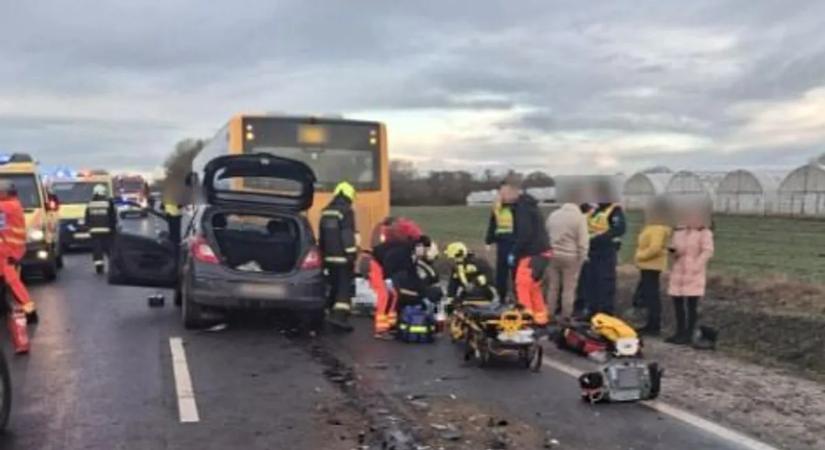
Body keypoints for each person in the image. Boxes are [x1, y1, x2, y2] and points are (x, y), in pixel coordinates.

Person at [501, 179, 552, 326]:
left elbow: (524, 234)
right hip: (543, 253)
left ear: (513, 191)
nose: (502, 196)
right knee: (534, 288)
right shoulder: (531, 206)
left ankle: (525, 320)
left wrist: (514, 252)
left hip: (531, 254)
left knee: (522, 285)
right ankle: (541, 319)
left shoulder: (522, 209)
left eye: (504, 192)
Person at [666, 207, 714, 345]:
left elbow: (707, 251)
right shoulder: (679, 232)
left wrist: (696, 266)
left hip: (693, 273)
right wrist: (674, 250)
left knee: (691, 306)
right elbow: (678, 250)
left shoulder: (705, 233)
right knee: (678, 304)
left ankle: (689, 333)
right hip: (679, 272)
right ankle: (679, 331)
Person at [0, 180, 37, 350]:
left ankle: (29, 313)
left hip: (6, 254)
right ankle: (28, 311)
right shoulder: (13, 205)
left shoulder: (6, 207)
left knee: (12, 284)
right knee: (13, 284)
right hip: (12, 252)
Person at [319, 182, 358, 331]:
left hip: (328, 257)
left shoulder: (326, 211)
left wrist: (321, 253)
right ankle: (339, 318)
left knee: (333, 285)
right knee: (343, 288)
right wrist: (351, 253)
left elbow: (322, 235)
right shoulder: (347, 211)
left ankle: (327, 313)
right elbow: (347, 234)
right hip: (343, 258)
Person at [581, 196, 626, 317]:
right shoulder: (594, 211)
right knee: (591, 283)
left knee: (605, 282)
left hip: (606, 252)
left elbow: (619, 229)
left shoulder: (614, 210)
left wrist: (600, 238)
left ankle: (605, 313)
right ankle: (591, 310)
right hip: (591, 252)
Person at [633, 199, 672, 336]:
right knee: (648, 294)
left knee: (652, 295)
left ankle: (654, 325)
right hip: (647, 265)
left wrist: (640, 256)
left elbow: (655, 248)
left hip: (651, 265)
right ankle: (651, 322)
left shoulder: (658, 229)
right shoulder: (651, 227)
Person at [545, 201, 589, 325]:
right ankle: (566, 316)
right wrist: (583, 257)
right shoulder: (579, 218)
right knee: (569, 288)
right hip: (571, 257)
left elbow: (546, 233)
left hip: (552, 255)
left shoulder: (553, 215)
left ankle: (550, 313)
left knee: (553, 287)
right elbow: (583, 241)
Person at [484, 186, 515, 300]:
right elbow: (493, 223)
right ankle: (512, 296)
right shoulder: (515, 207)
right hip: (512, 242)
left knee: (502, 271)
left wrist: (488, 240)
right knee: (512, 271)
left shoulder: (498, 207)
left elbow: (492, 224)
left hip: (503, 241)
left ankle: (502, 297)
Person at [444, 242, 497, 306]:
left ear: (458, 255)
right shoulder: (457, 269)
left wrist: (474, 283)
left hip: (485, 293)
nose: (452, 261)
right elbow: (453, 284)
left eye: (453, 258)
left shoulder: (478, 263)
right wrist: (450, 298)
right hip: (467, 294)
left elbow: (489, 277)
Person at [85, 184, 117, 274]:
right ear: (103, 192)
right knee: (109, 249)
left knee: (97, 250)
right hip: (107, 231)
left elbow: (87, 217)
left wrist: (88, 228)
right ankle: (113, 266)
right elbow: (113, 217)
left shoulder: (90, 204)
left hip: (94, 232)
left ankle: (99, 267)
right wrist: (113, 229)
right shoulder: (108, 203)